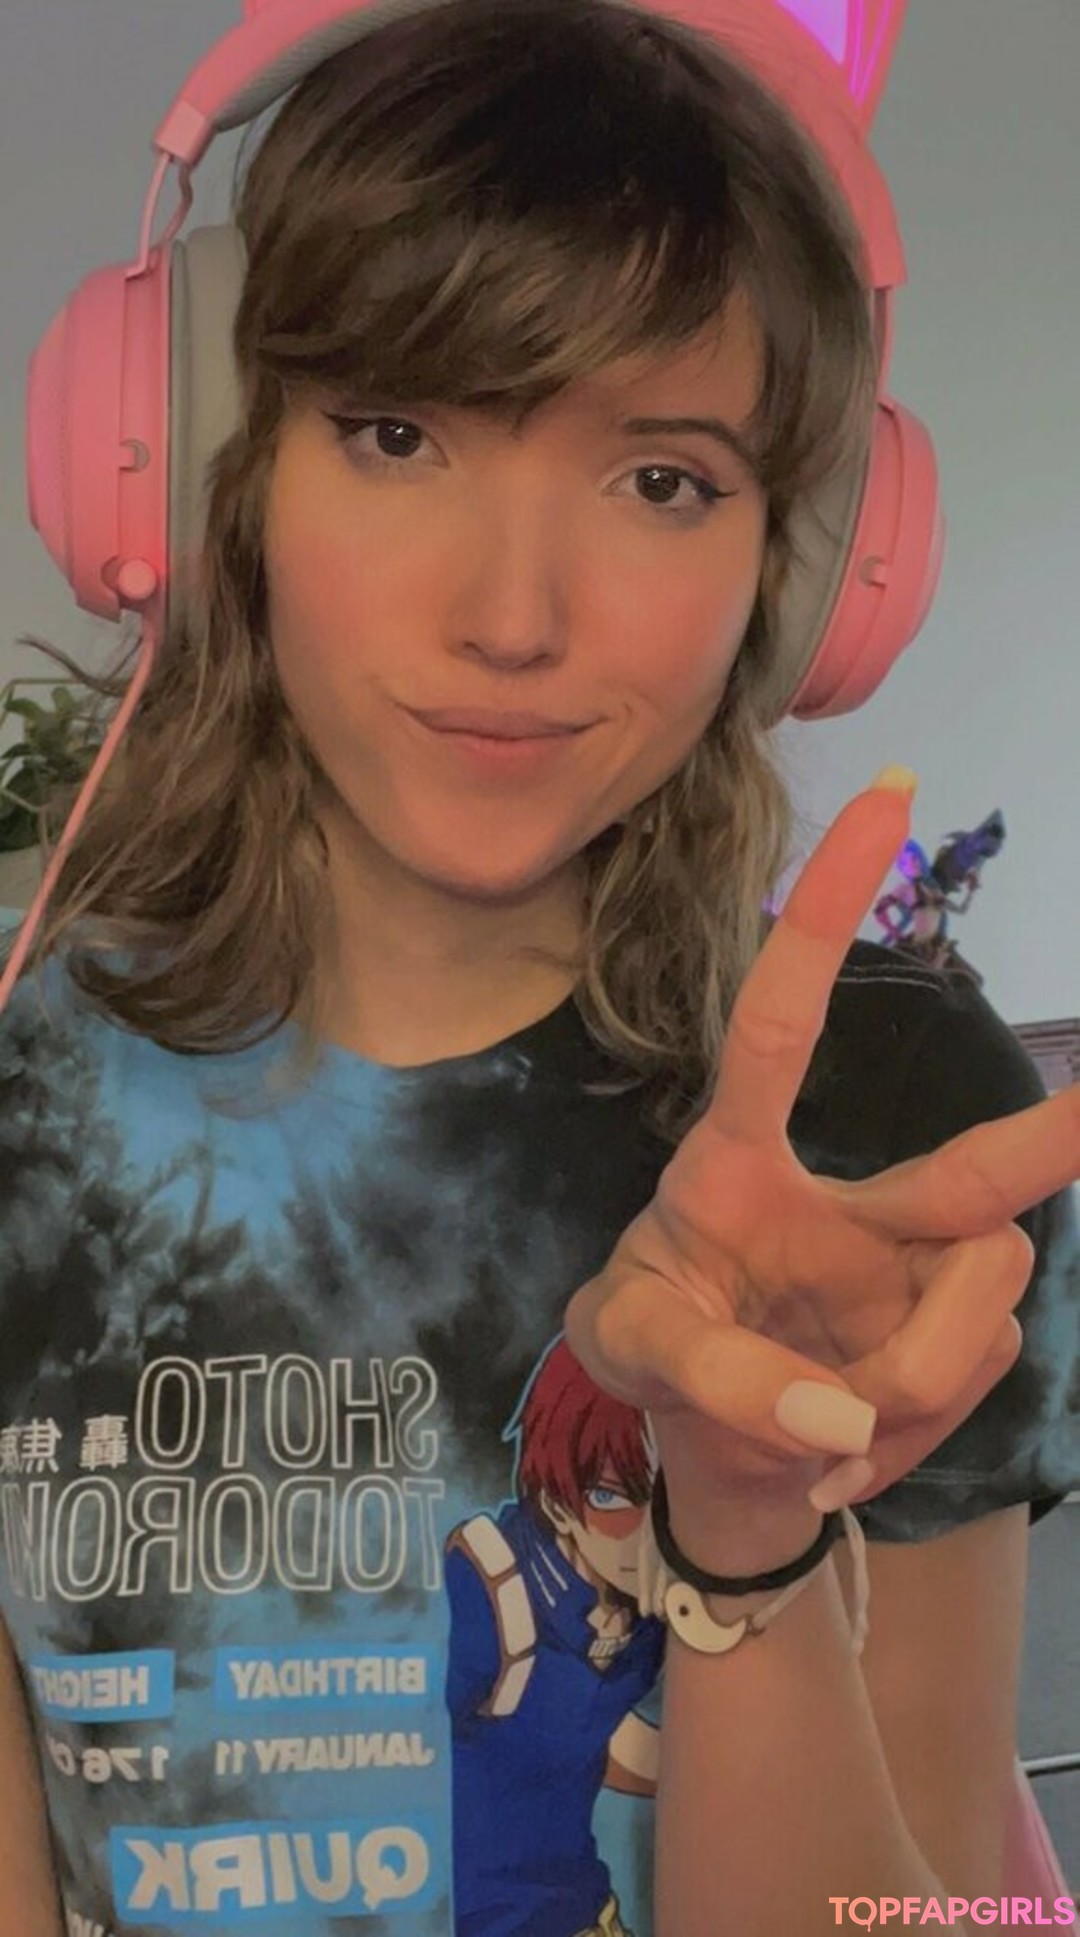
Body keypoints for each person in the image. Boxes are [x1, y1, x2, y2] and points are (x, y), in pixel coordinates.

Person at [0, 0, 1076, 1933]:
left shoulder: (896, 1115)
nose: (514, 617)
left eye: (663, 478)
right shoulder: (22, 1107)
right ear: (216, 474)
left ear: (803, 567)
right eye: (396, 433)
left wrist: (746, 1534)